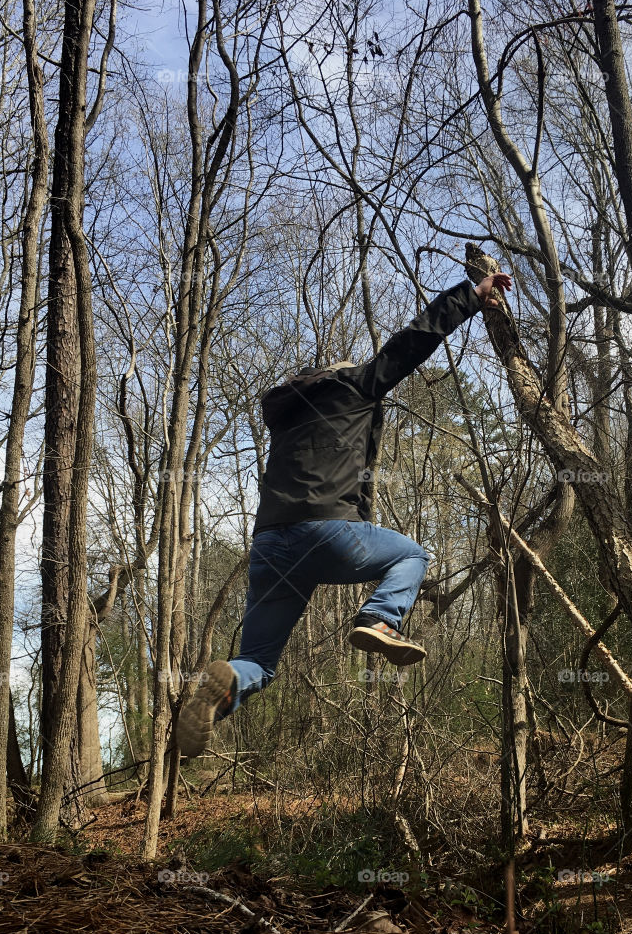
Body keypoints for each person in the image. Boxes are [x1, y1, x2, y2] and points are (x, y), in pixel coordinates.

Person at [176, 268, 513, 757]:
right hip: (328, 531)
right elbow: (414, 340)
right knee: (412, 556)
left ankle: (223, 689)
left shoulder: (287, 418)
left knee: (258, 662)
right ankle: (379, 619)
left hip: (270, 545)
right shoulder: (356, 386)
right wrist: (471, 295)